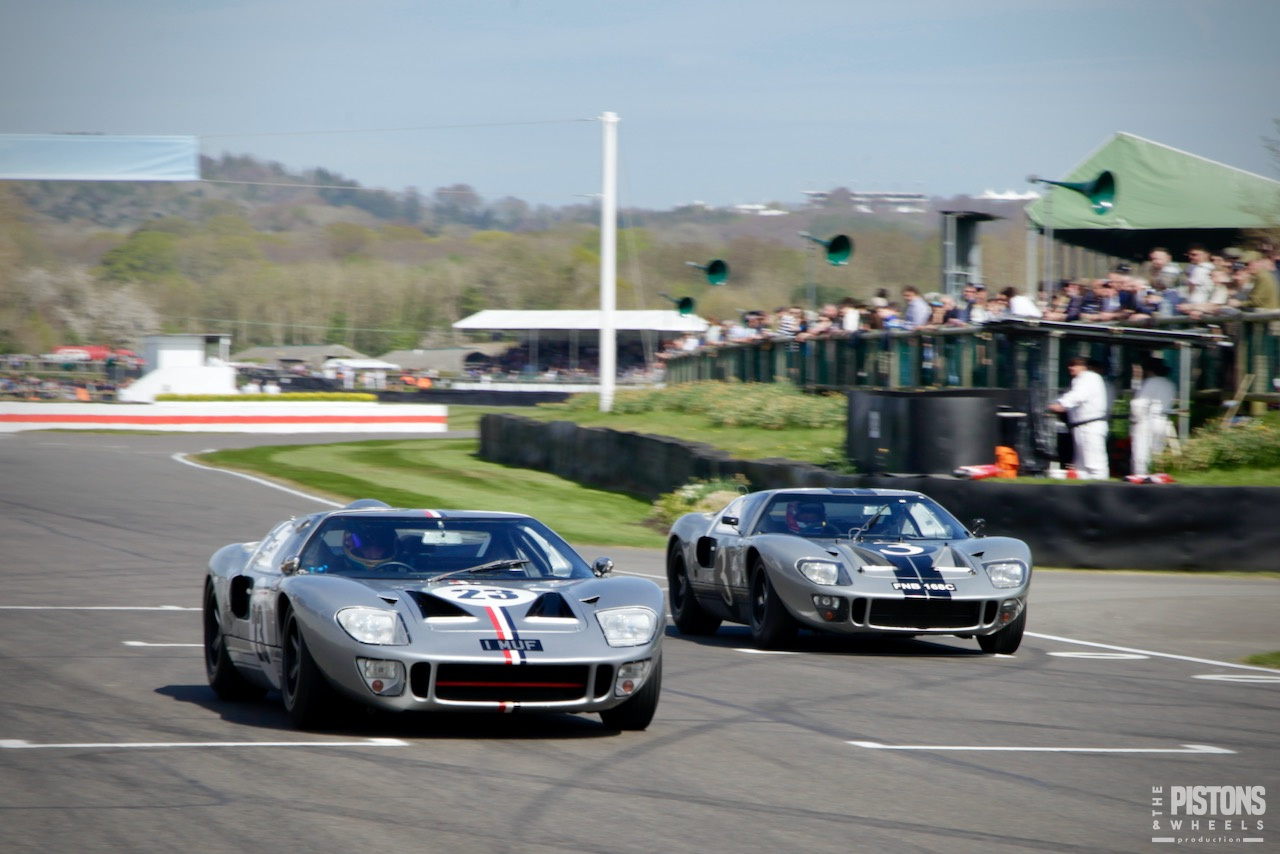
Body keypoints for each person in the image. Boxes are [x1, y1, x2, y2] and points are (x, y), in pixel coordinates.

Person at [1049, 356, 1110, 479]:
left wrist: (1061, 405)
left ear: (1084, 366)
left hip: (1090, 425)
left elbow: (1078, 395)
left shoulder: (1088, 377)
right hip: (1081, 426)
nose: (1071, 368)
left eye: (1074, 365)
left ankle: (1102, 486)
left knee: (1094, 464)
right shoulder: (1082, 379)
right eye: (1070, 365)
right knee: (1082, 467)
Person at [1130, 362, 1176, 476]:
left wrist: (1136, 420)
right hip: (1163, 420)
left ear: (1150, 371)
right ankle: (1155, 475)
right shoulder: (1170, 384)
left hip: (1148, 420)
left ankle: (1141, 476)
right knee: (1157, 452)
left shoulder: (1150, 382)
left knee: (1141, 453)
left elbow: (1139, 404)